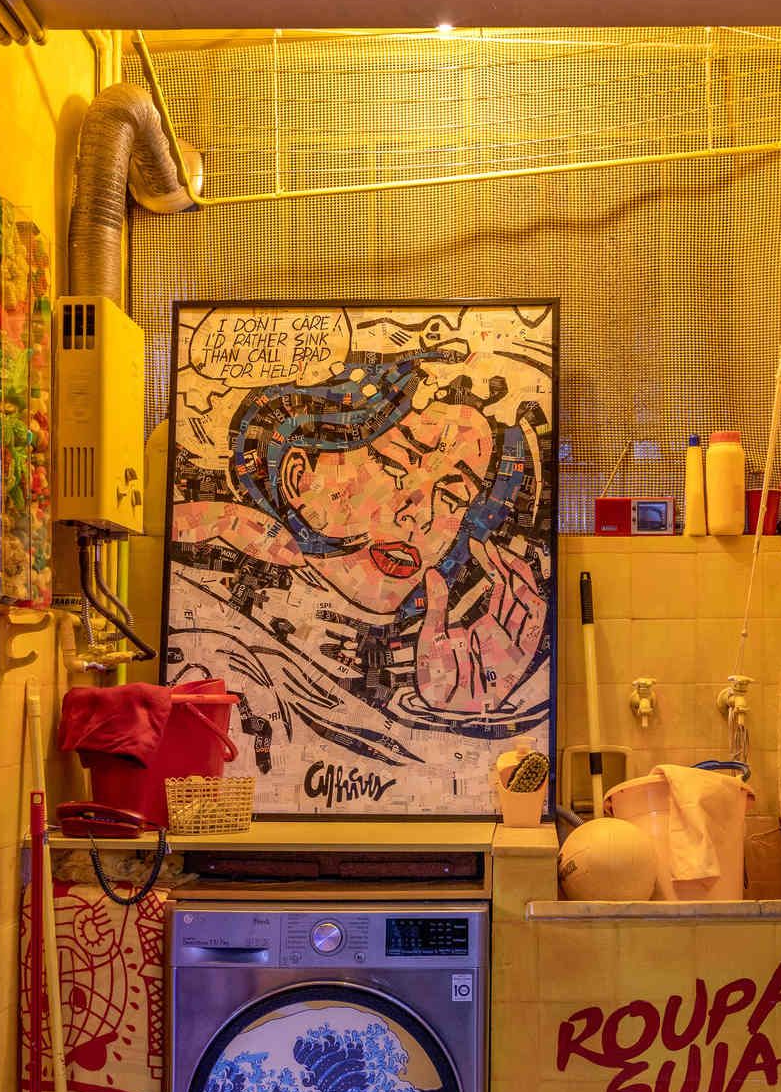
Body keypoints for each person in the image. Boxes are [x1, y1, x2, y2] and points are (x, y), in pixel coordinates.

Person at [165, 338, 552, 801]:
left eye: (452, 496)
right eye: (393, 464)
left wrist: (458, 712)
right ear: (297, 475)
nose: (419, 514)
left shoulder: (409, 663)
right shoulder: (208, 632)